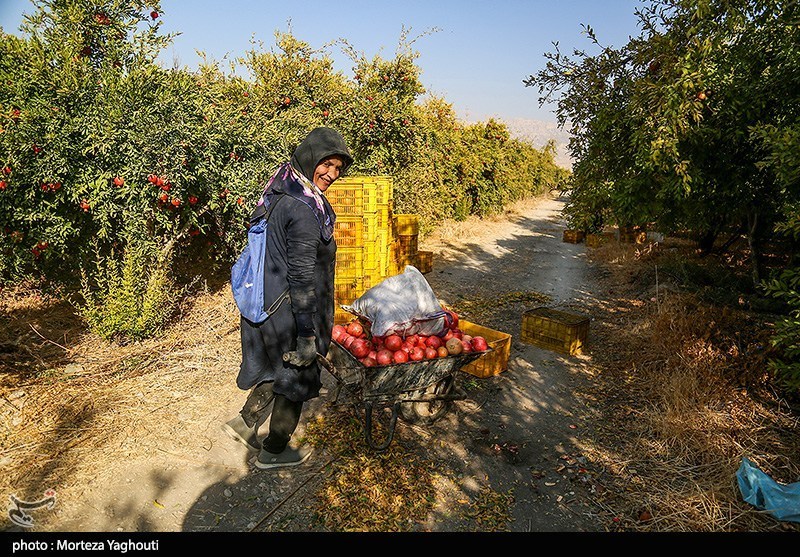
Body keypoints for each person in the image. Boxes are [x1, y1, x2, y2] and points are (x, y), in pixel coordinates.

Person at [222, 127, 353, 469]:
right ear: (311, 157)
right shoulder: (306, 210)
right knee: (297, 378)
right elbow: (302, 276)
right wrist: (308, 335)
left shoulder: (281, 187)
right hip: (291, 310)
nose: (331, 174)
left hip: (266, 303)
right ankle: (275, 450)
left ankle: (244, 424)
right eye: (327, 164)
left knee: (273, 370)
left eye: (338, 168)